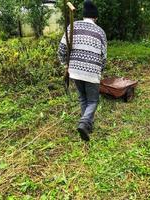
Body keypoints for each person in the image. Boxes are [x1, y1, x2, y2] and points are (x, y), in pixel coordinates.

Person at [58, 0, 107, 141]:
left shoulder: (73, 27)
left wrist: (65, 66)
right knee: (93, 101)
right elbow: (104, 57)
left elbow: (61, 49)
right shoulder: (100, 32)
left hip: (74, 71)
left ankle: (86, 125)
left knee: (83, 98)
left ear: (84, 15)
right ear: (95, 17)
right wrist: (100, 70)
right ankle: (84, 123)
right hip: (92, 71)